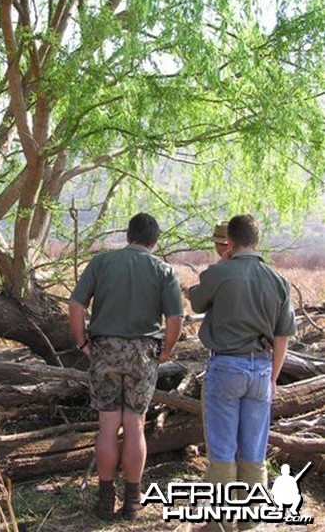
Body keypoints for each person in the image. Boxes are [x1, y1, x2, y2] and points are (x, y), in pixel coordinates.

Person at [69, 213, 183, 521]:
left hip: (104, 348)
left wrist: (82, 343)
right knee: (134, 424)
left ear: (128, 235)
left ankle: (106, 500)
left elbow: (76, 304)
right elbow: (175, 319)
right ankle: (133, 501)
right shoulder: (163, 270)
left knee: (107, 425)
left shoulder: (102, 262)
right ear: (154, 240)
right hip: (143, 352)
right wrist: (166, 350)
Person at [188, 214, 296, 532]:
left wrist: (222, 263)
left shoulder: (220, 273)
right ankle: (249, 521)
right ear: (257, 241)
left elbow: (196, 302)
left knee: (222, 448)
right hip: (261, 370)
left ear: (229, 243)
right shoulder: (277, 281)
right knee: (254, 448)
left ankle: (218, 520)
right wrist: (273, 376)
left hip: (225, 367)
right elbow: (282, 336)